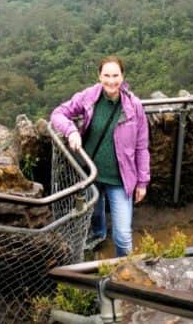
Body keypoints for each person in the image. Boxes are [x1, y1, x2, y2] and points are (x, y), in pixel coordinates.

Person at [50, 56, 150, 256]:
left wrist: (142, 182)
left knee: (122, 235)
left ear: (123, 77)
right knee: (94, 213)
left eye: (115, 75)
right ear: (99, 76)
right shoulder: (89, 96)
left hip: (120, 180)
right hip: (91, 175)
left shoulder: (133, 106)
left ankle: (123, 271)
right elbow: (58, 114)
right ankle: (98, 234)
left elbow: (141, 146)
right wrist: (71, 131)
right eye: (106, 75)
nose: (111, 81)